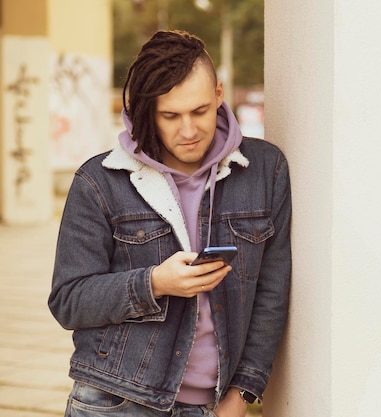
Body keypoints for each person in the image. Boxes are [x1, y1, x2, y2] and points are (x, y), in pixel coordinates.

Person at [48, 30, 291, 417]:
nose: (189, 130)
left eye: (199, 111)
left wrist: (244, 392)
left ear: (218, 94)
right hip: (115, 400)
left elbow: (273, 292)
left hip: (214, 405)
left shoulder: (265, 170)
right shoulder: (100, 181)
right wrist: (154, 283)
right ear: (146, 110)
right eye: (170, 115)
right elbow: (68, 301)